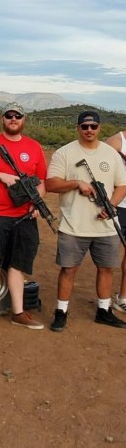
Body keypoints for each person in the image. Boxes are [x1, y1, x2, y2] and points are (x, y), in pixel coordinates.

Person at [47, 111, 126, 331]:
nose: (89, 130)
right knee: (68, 270)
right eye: (84, 127)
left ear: (100, 128)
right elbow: (51, 184)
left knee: (106, 269)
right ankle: (61, 311)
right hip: (74, 225)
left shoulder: (111, 154)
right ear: (78, 128)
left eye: (93, 126)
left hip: (107, 226)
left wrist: (111, 206)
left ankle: (104, 310)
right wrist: (76, 183)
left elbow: (122, 185)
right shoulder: (64, 153)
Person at [0, 102, 45, 335]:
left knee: (17, 265)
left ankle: (18, 312)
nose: (13, 119)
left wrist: (37, 203)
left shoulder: (34, 147)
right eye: (9, 115)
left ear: (24, 120)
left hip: (24, 216)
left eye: (17, 116)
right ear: (2, 119)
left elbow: (41, 182)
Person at [105, 129, 126, 313]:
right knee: (108, 254)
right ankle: (103, 301)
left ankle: (123, 298)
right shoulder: (115, 142)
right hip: (118, 206)